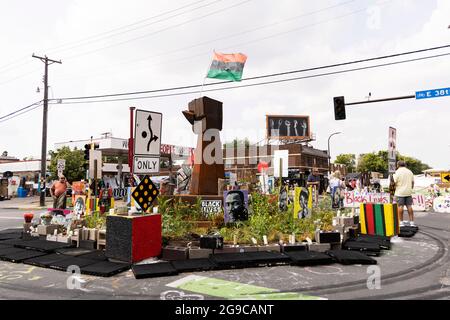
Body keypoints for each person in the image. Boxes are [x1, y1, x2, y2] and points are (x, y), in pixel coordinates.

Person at [393, 161, 415, 227]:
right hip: (408, 192)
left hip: (399, 192)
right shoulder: (410, 171)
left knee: (400, 207)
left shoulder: (396, 172)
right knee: (409, 206)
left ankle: (401, 222)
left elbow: (393, 183)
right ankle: (412, 222)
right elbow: (413, 182)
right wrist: (410, 189)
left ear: (397, 165)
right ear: (405, 165)